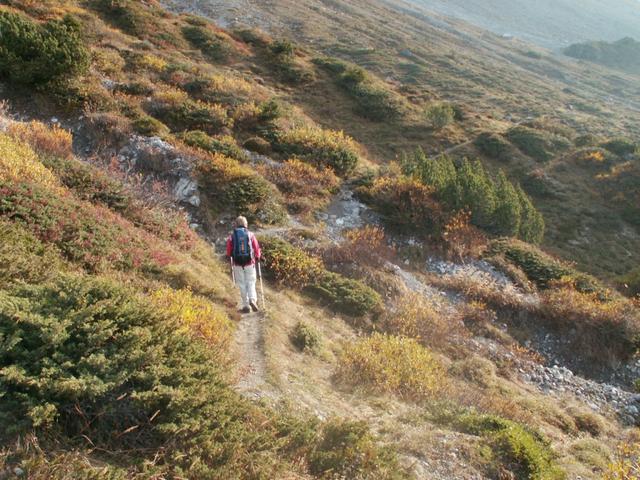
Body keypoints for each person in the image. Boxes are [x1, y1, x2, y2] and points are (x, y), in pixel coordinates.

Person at [226, 216, 262, 313]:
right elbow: (256, 247)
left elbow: (229, 252)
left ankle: (246, 306)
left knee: (241, 284)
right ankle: (252, 299)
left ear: (236, 224)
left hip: (237, 264)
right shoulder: (250, 235)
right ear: (246, 224)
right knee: (250, 282)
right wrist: (258, 256)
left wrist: (231, 257)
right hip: (249, 263)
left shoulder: (231, 236)